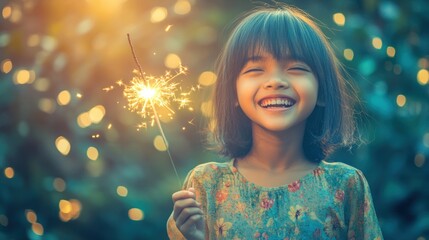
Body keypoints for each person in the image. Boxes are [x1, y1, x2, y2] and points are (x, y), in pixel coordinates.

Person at [167, 3, 383, 240]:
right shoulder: (205, 184)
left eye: (296, 68)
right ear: (233, 92)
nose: (276, 81)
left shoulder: (346, 185)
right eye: (255, 69)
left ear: (322, 91)